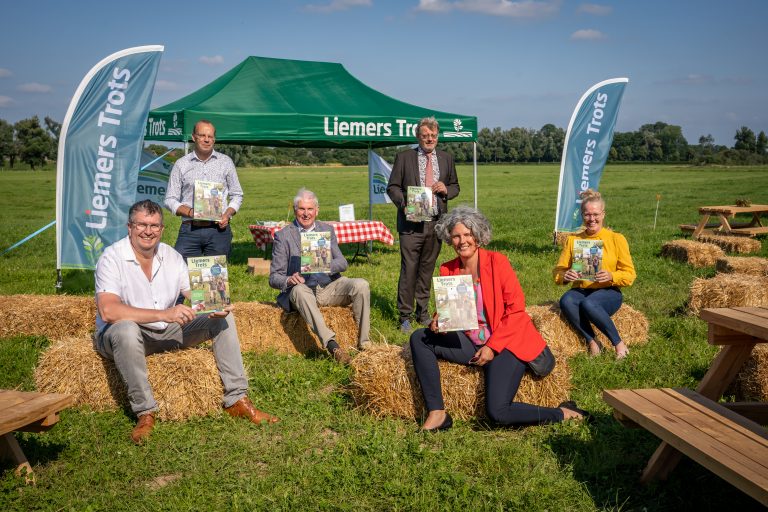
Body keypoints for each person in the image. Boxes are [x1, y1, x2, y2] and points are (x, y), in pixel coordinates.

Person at [92, 200, 278, 445]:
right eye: (142, 225)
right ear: (129, 227)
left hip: (164, 333)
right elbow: (108, 311)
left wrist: (217, 303)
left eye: (154, 226)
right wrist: (164, 315)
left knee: (223, 320)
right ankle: (145, 412)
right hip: (121, 338)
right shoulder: (112, 257)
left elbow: (195, 293)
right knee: (126, 329)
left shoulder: (171, 255)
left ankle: (237, 400)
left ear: (162, 229)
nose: (148, 231)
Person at [410, 206, 588, 431]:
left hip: (506, 342)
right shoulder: (448, 268)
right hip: (471, 341)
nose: (462, 241)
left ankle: (563, 413)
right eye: (456, 236)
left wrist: (492, 347)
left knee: (498, 413)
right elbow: (452, 308)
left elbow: (516, 311)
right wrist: (439, 320)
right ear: (449, 239)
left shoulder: (498, 262)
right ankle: (437, 413)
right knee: (420, 337)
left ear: (478, 236)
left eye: (467, 234)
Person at [269, 188, 371, 364]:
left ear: (317, 210)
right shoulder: (283, 236)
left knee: (361, 284)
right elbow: (274, 278)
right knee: (299, 290)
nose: (306, 214)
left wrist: (323, 264)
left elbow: (342, 262)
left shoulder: (327, 230)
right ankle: (333, 346)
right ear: (295, 210)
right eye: (302, 209)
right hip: (303, 291)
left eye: (310, 209)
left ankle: (365, 345)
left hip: (328, 286)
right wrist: (289, 279)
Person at [387, 117, 460, 332]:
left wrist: (446, 189)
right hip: (411, 225)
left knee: (427, 269)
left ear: (437, 136)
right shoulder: (404, 157)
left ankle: (423, 312)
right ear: (418, 136)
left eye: (433, 135)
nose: (430, 139)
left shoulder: (447, 158)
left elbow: (455, 186)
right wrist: (407, 205)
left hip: (436, 224)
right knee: (409, 269)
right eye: (425, 135)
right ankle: (404, 316)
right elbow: (392, 188)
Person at [553, 189, 636, 359]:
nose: (592, 219)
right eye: (587, 214)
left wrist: (612, 276)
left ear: (603, 214)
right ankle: (592, 341)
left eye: (596, 214)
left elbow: (629, 274)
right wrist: (565, 276)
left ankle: (619, 345)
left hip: (609, 291)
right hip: (582, 289)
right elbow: (558, 271)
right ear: (582, 215)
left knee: (589, 304)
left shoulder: (616, 239)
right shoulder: (573, 240)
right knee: (566, 300)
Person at [164, 120, 243, 260]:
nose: (207, 140)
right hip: (190, 229)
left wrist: (227, 214)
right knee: (182, 272)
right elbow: (170, 199)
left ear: (214, 139)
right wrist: (191, 212)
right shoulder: (181, 164)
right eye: (202, 135)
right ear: (194, 137)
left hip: (219, 230)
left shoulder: (226, 162)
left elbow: (237, 195)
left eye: (210, 136)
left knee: (215, 278)